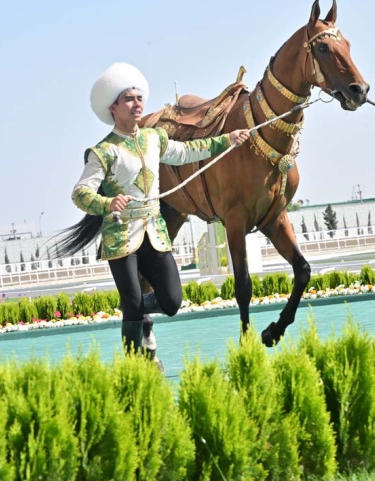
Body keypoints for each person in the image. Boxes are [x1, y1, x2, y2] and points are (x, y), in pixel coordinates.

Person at [73, 62, 250, 354]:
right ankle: (134, 363)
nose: (136, 104)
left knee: (171, 301)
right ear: (112, 108)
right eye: (128, 99)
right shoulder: (103, 152)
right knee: (132, 304)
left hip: (155, 232)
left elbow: (188, 152)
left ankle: (130, 308)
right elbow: (80, 194)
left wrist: (226, 141)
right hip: (121, 237)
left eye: (139, 98)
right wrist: (107, 203)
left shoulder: (155, 138)